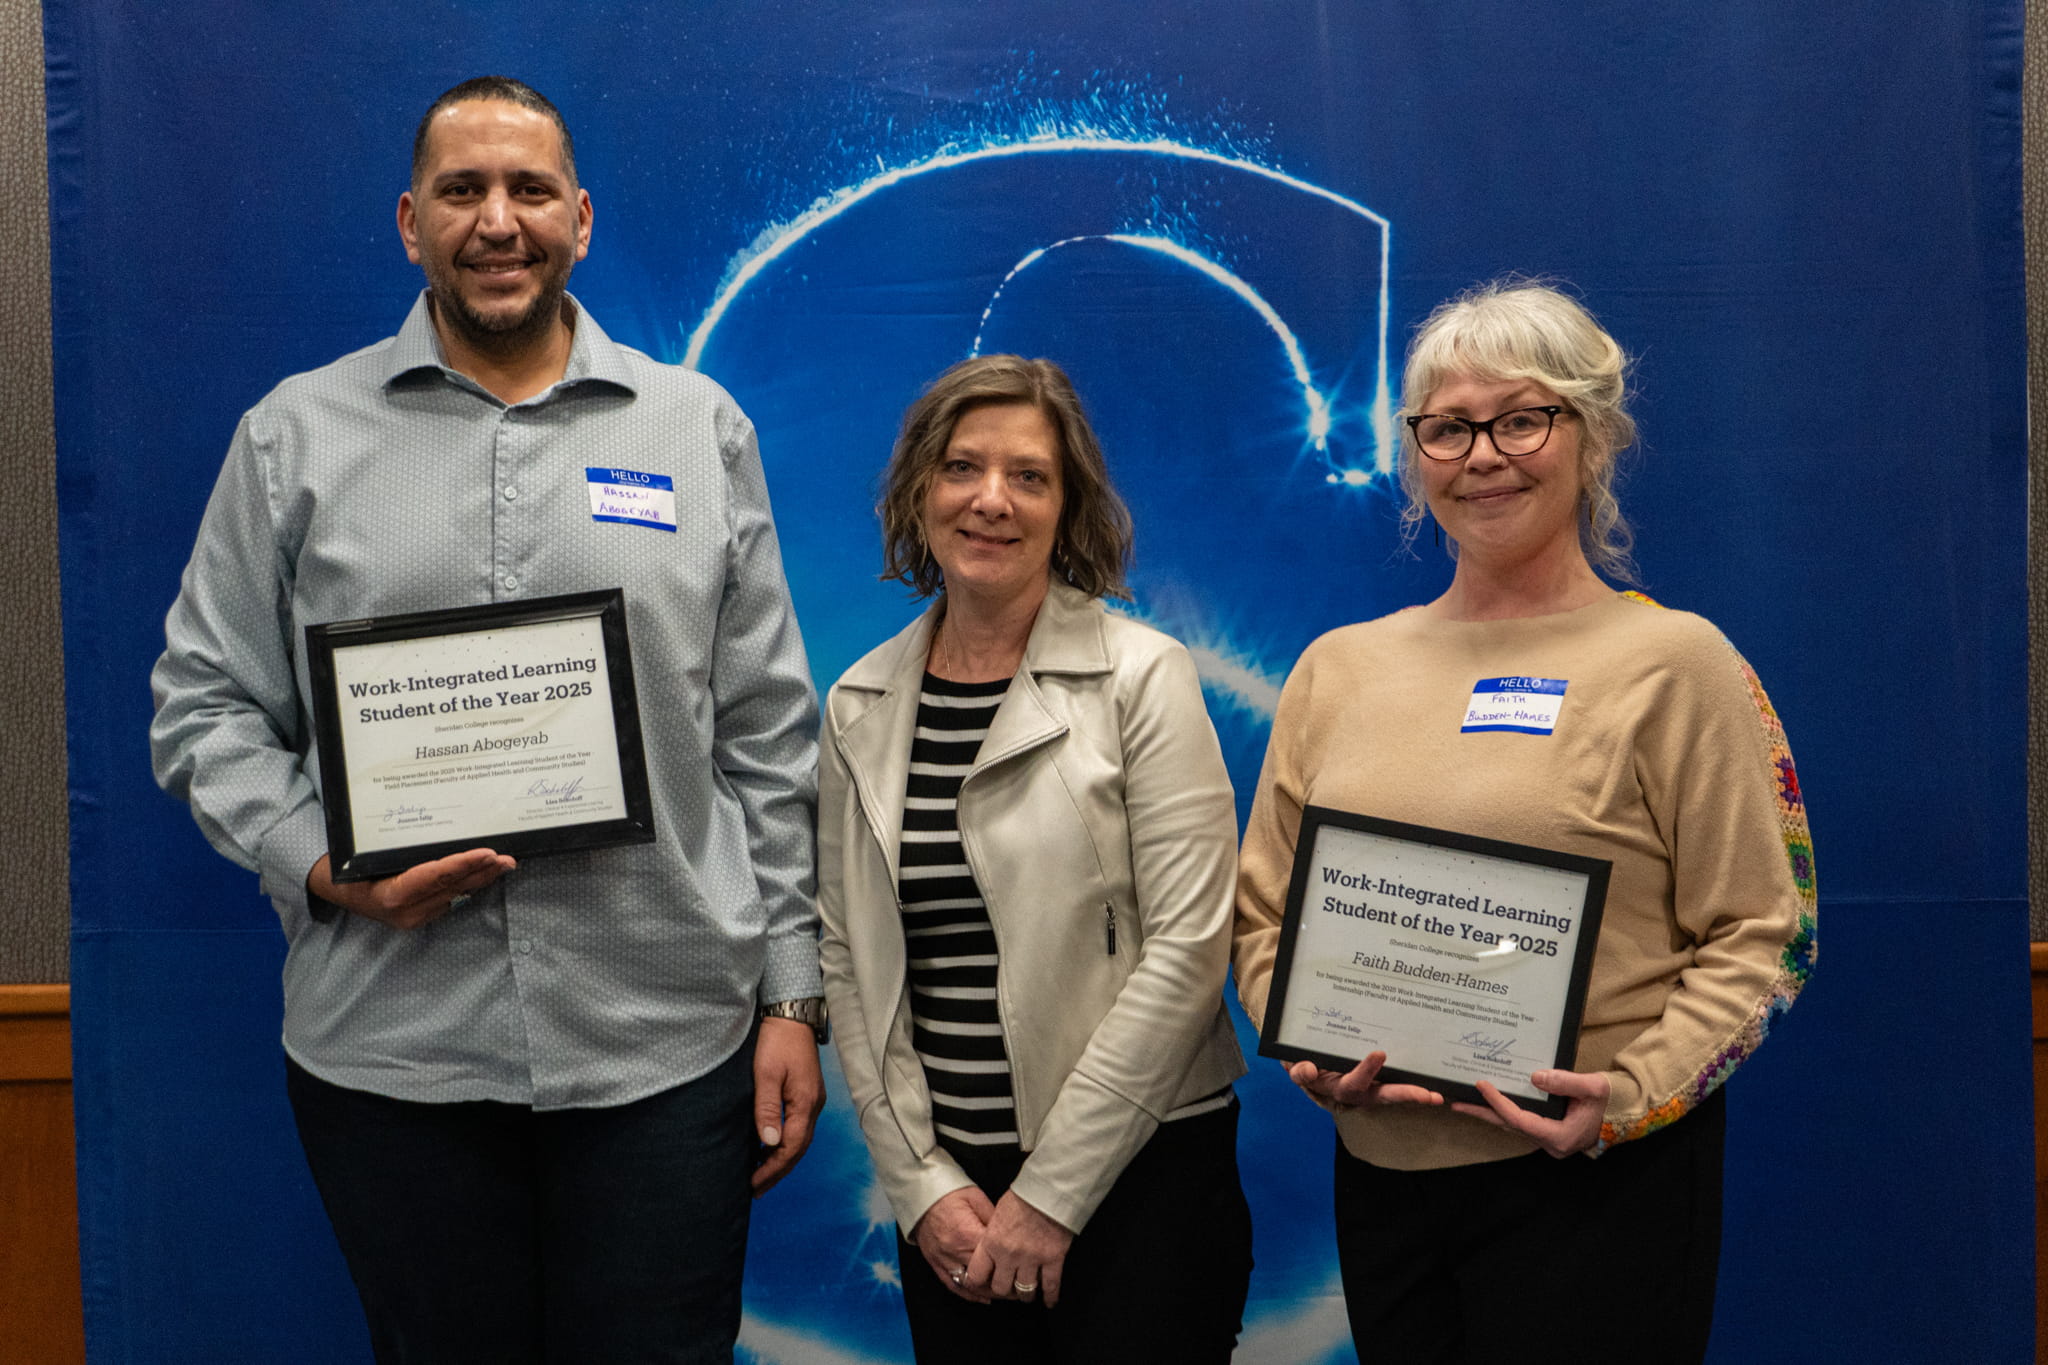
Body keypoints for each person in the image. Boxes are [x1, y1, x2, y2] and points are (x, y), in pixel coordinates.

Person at [149, 77, 825, 1364]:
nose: (496, 220)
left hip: (664, 1048)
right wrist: (322, 863)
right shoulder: (295, 437)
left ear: (580, 217)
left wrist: (791, 995)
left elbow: (766, 739)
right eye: (462, 190)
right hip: (395, 1058)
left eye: (526, 190)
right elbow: (204, 703)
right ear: (412, 223)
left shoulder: (697, 432)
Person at [1233, 280, 1816, 1364]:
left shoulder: (1676, 663)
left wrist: (1628, 1099)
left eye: (1520, 418)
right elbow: (1264, 914)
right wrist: (1304, 1042)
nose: (1481, 455)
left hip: (1593, 1186)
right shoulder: (1338, 667)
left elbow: (1766, 932)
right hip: (1382, 1189)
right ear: (1413, 454)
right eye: (1447, 428)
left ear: (1591, 437)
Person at [817, 355, 1253, 1362]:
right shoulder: (857, 705)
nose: (989, 501)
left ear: (1070, 508)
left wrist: (1050, 1197)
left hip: (1141, 1175)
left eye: (1028, 476)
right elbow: (851, 962)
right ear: (918, 491)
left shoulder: (1143, 678)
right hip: (953, 1206)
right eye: (961, 467)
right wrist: (921, 1188)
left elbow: (1190, 950)